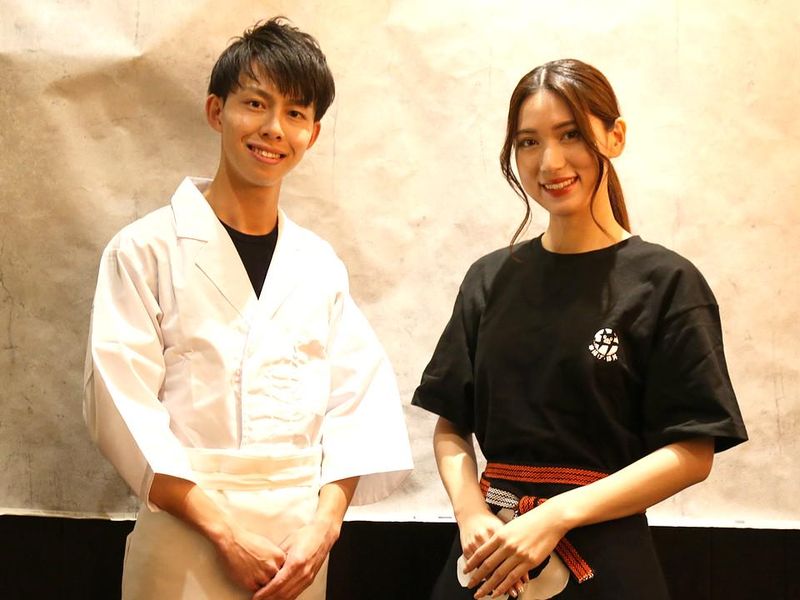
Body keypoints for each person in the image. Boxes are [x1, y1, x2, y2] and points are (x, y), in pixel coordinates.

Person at [83, 17, 413, 600]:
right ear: (217, 111)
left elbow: (360, 404)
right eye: (256, 104)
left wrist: (324, 529)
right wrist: (226, 534)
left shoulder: (318, 265)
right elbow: (121, 405)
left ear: (313, 133)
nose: (273, 129)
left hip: (297, 553)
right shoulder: (144, 251)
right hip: (185, 540)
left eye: (295, 113)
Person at [412, 58, 747, 600]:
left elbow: (693, 451)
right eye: (528, 142)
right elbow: (451, 423)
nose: (550, 161)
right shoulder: (488, 279)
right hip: (487, 556)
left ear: (615, 137)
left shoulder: (666, 283)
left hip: (604, 561)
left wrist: (555, 516)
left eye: (570, 134)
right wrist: (470, 512)